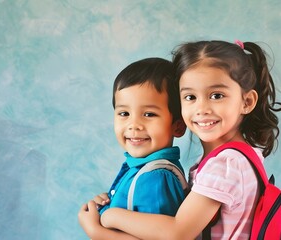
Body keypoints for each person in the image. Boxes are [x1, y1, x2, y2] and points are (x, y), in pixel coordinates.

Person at [79, 40, 281, 239]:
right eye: (190, 97)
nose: (202, 109)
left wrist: (107, 220)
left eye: (217, 95)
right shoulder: (236, 156)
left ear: (247, 102)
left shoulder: (226, 164)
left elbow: (177, 233)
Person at [78, 57, 188, 239]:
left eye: (149, 114)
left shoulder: (155, 178)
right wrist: (106, 205)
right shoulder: (139, 168)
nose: (134, 125)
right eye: (124, 113)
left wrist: (98, 231)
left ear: (178, 126)